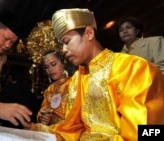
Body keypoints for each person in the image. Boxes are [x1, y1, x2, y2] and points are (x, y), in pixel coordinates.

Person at [49, 8, 164, 140]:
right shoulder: (77, 79)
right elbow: (71, 129)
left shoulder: (132, 67)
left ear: (89, 33)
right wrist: (32, 129)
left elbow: (142, 132)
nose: (63, 50)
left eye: (66, 41)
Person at [26, 50, 77, 140]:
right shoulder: (49, 90)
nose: (50, 69)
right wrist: (43, 118)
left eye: (53, 64)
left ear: (63, 63)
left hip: (69, 133)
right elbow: (42, 111)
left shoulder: (75, 83)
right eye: (47, 67)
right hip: (51, 132)